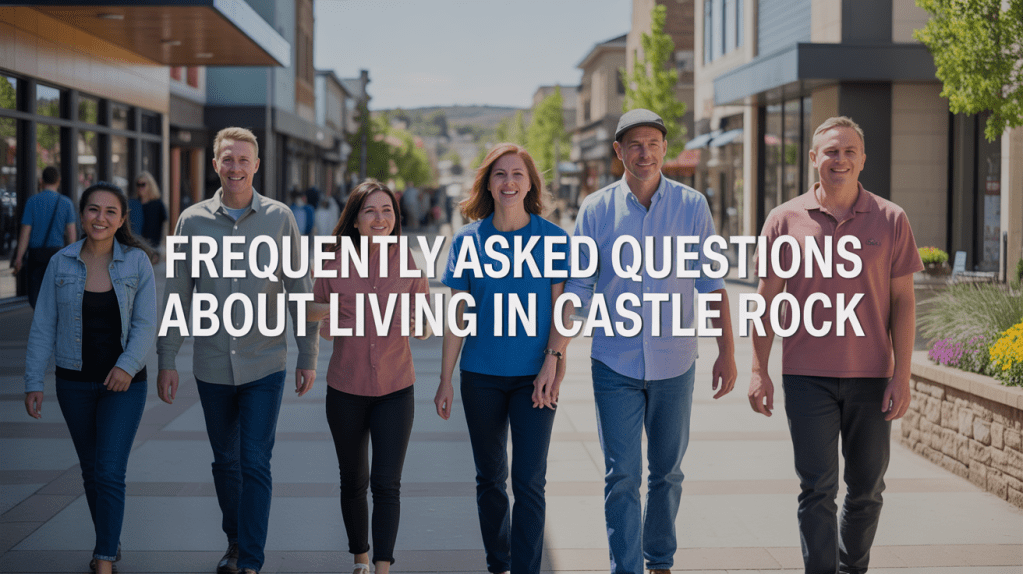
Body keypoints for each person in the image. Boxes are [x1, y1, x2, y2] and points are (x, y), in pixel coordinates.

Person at [562, 109, 737, 574]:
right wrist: (555, 350)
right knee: (621, 475)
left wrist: (727, 352)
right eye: (635, 144)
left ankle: (659, 561)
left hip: (676, 362)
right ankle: (627, 568)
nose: (645, 153)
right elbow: (579, 286)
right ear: (618, 151)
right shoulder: (596, 209)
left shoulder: (692, 205)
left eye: (653, 143)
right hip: (614, 363)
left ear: (664, 148)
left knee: (668, 473)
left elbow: (712, 282)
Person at [748, 116, 923, 574]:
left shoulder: (891, 219)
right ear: (813, 159)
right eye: (830, 151)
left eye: (848, 151)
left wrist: (902, 375)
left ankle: (852, 568)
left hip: (871, 378)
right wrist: (758, 369)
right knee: (817, 489)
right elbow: (767, 299)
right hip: (807, 377)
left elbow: (904, 302)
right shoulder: (785, 219)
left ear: (863, 159)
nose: (839, 159)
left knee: (867, 489)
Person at [156, 127, 320, 574]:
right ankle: (234, 540)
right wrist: (167, 358)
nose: (235, 167)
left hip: (265, 363)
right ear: (215, 165)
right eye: (227, 159)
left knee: (254, 461)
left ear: (257, 165)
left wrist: (308, 353)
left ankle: (250, 558)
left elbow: (299, 291)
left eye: (243, 160)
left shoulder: (280, 218)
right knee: (225, 462)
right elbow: (177, 294)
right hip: (211, 365)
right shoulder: (191, 221)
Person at [434, 143, 569, 574]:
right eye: (499, 174)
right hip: (481, 377)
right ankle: (499, 563)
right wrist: (445, 378)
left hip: (535, 376)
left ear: (530, 183)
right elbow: (458, 314)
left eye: (517, 174)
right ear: (487, 184)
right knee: (490, 480)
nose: (508, 182)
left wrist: (553, 361)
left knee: (529, 482)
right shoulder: (469, 240)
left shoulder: (553, 239)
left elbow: (563, 310)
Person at [24, 182, 157, 574]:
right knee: (91, 471)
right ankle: (109, 543)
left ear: (121, 219)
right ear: (81, 216)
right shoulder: (60, 262)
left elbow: (147, 324)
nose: (101, 218)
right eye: (93, 210)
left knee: (110, 469)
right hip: (74, 383)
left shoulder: (137, 262)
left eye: (110, 211)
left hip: (125, 385)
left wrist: (126, 366)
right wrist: (34, 380)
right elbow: (43, 325)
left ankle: (103, 561)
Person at [308, 180, 430, 574]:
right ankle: (360, 558)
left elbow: (426, 324)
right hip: (346, 388)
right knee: (353, 479)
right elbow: (314, 316)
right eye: (370, 211)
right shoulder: (333, 260)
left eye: (387, 211)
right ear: (355, 220)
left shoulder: (409, 261)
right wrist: (333, 314)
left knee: (386, 483)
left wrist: (419, 321)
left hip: (396, 388)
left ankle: (382, 567)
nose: (380, 219)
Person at [12, 166, 77, 307]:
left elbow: (25, 233)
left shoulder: (32, 202)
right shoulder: (66, 203)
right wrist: (73, 257)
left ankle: (41, 321)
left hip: (36, 254)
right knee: (56, 294)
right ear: (58, 181)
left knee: (35, 295)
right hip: (57, 253)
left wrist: (18, 258)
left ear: (41, 181)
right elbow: (72, 235)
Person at [136, 171, 168, 255]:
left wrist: (163, 245)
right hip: (136, 247)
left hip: (154, 248)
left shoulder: (158, 204)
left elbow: (165, 225)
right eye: (138, 185)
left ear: (150, 185)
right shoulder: (134, 203)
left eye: (143, 184)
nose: (140, 188)